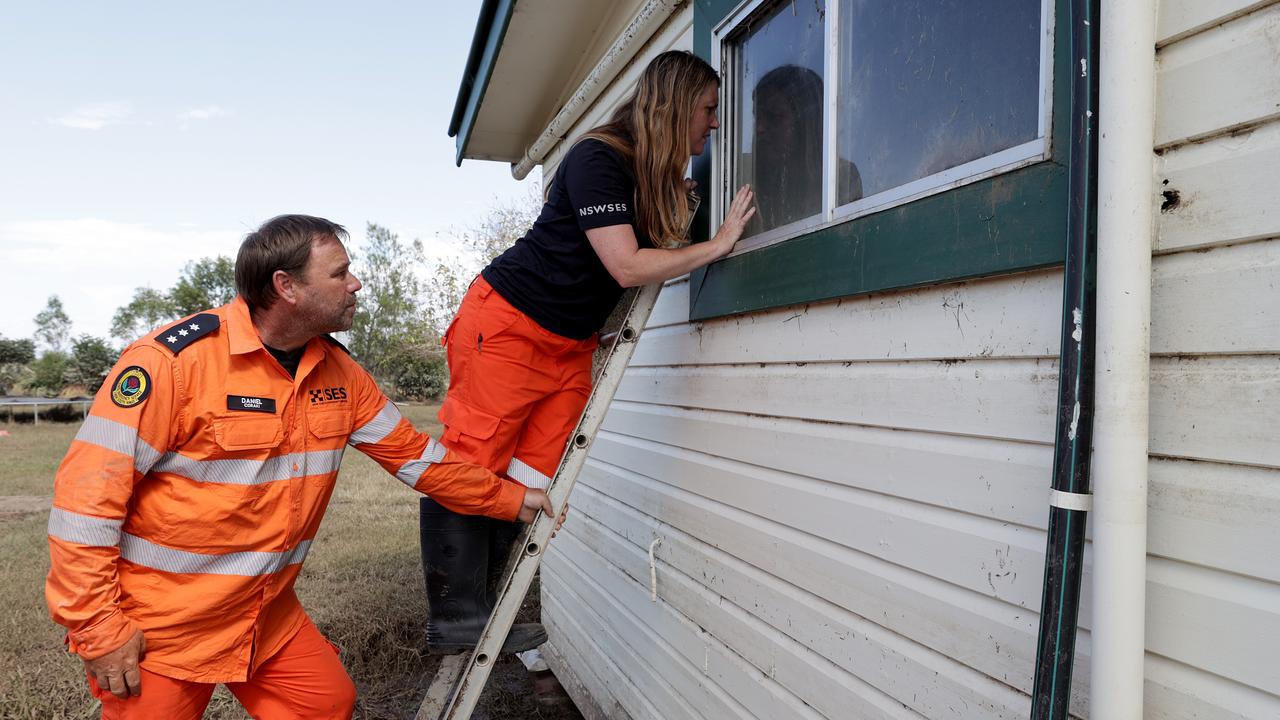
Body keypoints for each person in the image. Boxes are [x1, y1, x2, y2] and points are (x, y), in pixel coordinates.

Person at [45, 214, 560, 719]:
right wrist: (97, 628)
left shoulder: (340, 372)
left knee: (323, 703)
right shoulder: (173, 364)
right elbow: (84, 504)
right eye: (340, 273)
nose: (356, 284)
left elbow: (418, 460)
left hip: (263, 615)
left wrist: (514, 500)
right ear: (286, 286)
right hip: (163, 625)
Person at [421, 50, 757, 655]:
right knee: (474, 462)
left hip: (569, 346)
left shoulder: (649, 174)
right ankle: (453, 617)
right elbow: (626, 266)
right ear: (676, 105)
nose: (713, 122)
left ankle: (488, 609)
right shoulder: (597, 158)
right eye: (707, 109)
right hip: (508, 324)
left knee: (529, 477)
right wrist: (719, 245)